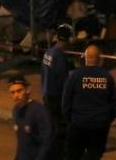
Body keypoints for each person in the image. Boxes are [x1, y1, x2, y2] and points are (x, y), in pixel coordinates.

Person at [62, 45, 116, 160]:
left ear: (85, 58)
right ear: (100, 59)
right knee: (94, 155)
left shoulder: (75, 76)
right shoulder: (107, 77)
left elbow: (66, 102)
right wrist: (106, 120)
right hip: (99, 126)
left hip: (78, 125)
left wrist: (71, 120)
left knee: (72, 155)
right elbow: (114, 104)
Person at [42, 24, 72, 158]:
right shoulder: (60, 57)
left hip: (46, 94)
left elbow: (42, 74)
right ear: (68, 39)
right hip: (56, 97)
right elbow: (64, 82)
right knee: (60, 129)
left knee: (52, 127)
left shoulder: (48, 52)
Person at [9, 74, 53, 160]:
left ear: (27, 90)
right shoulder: (16, 110)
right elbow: (22, 143)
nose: (16, 95)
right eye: (13, 92)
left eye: (19, 91)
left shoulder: (39, 111)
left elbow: (47, 141)